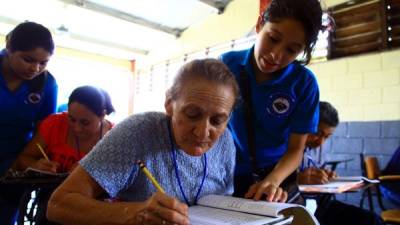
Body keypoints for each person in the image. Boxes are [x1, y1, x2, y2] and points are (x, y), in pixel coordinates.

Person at [47, 58, 245, 225]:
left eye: (218, 121)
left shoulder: (225, 141)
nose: (203, 132)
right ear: (169, 104)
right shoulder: (138, 132)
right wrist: (136, 213)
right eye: (192, 114)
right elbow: (59, 204)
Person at [220, 0, 323, 201]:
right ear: (259, 25)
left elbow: (296, 149)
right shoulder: (226, 65)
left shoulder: (304, 84)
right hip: (227, 172)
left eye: (291, 50)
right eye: (273, 38)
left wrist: (273, 180)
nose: (276, 55)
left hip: (278, 175)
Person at [0, 21, 57, 225]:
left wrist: (37, 163)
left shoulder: (47, 84)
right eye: (28, 59)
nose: (35, 68)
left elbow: (44, 133)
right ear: (9, 48)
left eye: (44, 63)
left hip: (14, 166)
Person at [298, 101, 384, 225]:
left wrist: (325, 177)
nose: (321, 142)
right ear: (305, 125)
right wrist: (297, 179)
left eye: (327, 137)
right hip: (298, 207)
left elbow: (315, 176)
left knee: (372, 220)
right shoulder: (282, 148)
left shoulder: (317, 150)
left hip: (318, 204)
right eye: (317, 134)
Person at [15, 85, 115, 173]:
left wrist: (91, 173)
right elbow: (24, 158)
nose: (77, 128)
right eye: (71, 119)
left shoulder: (115, 136)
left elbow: (119, 181)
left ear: (102, 115)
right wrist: (36, 165)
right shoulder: (54, 123)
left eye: (85, 123)